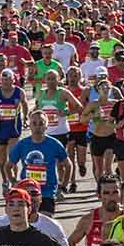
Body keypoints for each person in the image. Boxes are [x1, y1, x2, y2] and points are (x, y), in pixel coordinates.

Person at [9, 110, 70, 215]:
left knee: (46, 224)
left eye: (41, 123)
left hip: (47, 192)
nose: (38, 127)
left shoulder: (54, 144)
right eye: (34, 123)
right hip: (27, 192)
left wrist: (63, 186)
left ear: (47, 126)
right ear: (29, 126)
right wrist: (14, 182)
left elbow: (68, 165)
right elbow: (8, 166)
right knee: (28, 225)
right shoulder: (22, 144)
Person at [68, 175, 122, 246]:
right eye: (106, 193)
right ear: (99, 196)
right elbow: (70, 243)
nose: (111, 197)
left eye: (115, 192)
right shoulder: (89, 220)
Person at [34, 68, 83, 196]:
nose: (50, 81)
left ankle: (62, 185)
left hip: (61, 132)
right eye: (48, 79)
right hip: (45, 133)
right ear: (44, 80)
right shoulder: (41, 93)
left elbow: (79, 107)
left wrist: (66, 112)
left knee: (60, 162)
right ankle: (53, 185)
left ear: (59, 80)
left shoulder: (63, 93)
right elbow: (37, 108)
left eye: (53, 78)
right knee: (47, 161)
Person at [0, 68, 28, 192]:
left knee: (12, 156)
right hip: (0, 129)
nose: (6, 83)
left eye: (8, 80)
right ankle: (5, 181)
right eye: (3, 81)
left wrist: (25, 117)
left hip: (14, 129)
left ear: (13, 80)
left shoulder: (19, 92)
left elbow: (24, 104)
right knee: (2, 159)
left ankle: (14, 181)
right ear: (0, 81)